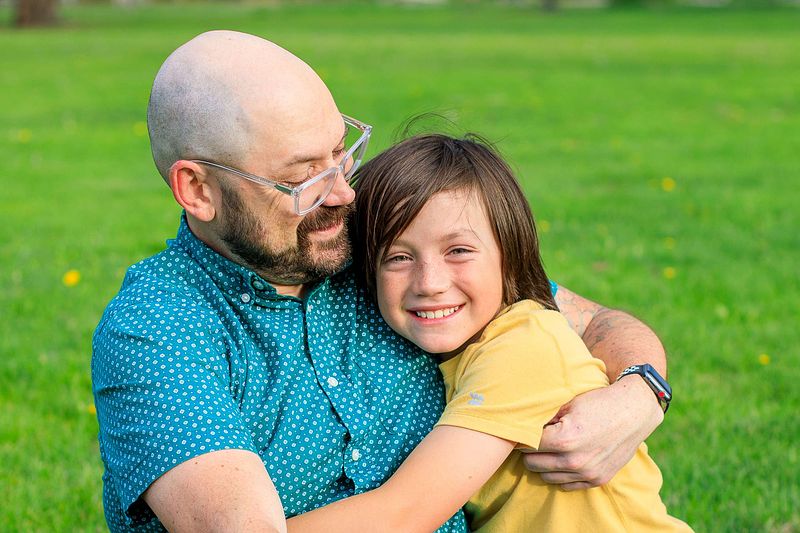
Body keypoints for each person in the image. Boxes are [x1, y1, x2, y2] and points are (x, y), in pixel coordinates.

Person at [92, 30, 670, 532]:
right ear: (198, 190)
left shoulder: (370, 240)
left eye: (340, 153)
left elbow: (586, 319)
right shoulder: (158, 330)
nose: (343, 193)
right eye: (303, 177)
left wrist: (639, 394)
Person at [286, 133, 690, 532]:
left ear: (509, 255)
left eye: (458, 251)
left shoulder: (523, 347)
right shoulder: (464, 346)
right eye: (398, 257)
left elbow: (402, 514)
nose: (430, 283)